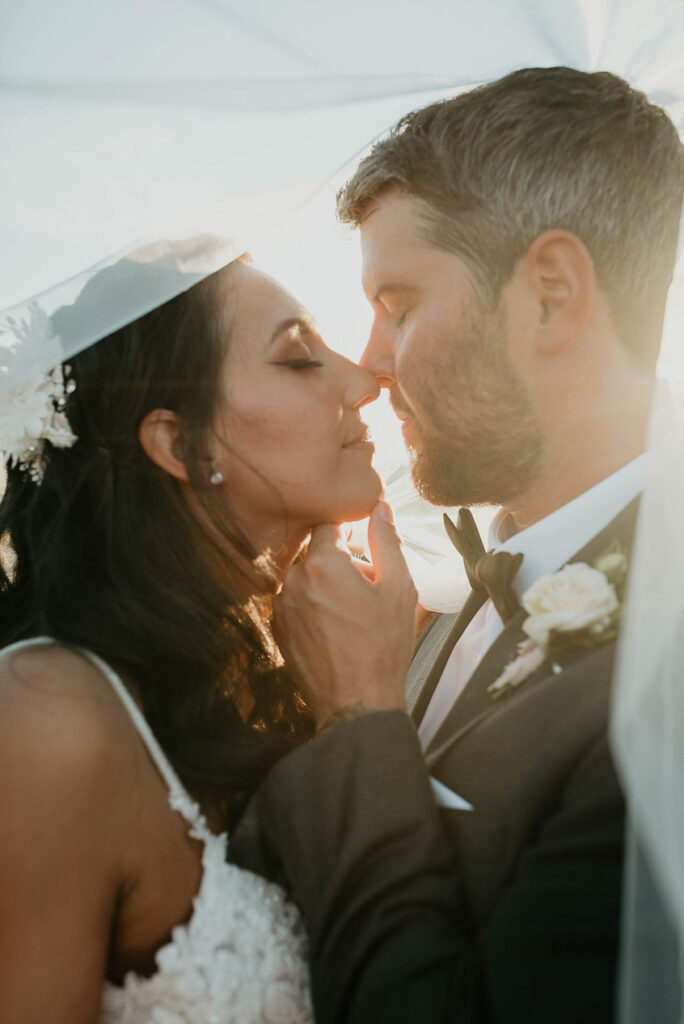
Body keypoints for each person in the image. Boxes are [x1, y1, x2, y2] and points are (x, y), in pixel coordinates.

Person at [229, 67, 684, 1022]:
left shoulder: (667, 675)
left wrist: (362, 711)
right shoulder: (451, 595)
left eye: (398, 304)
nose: (370, 362)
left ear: (552, 297)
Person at [0, 238, 384, 1023]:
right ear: (183, 446)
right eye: (300, 357)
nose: (364, 380)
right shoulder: (47, 716)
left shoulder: (255, 677)